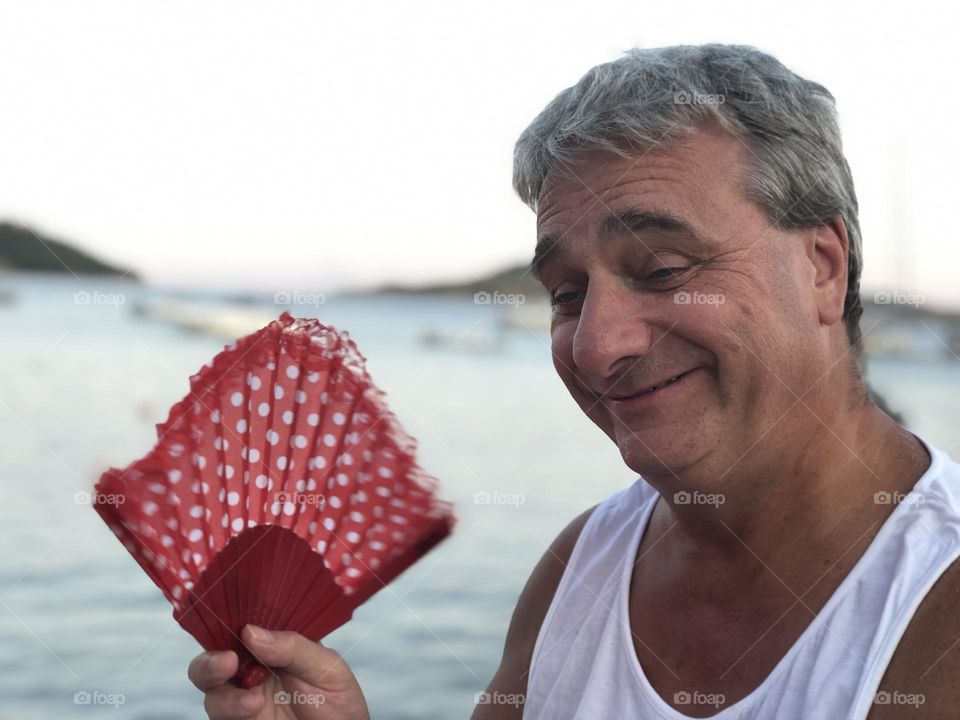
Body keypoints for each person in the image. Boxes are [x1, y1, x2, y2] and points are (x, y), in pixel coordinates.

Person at [191, 43, 960, 719]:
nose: (596, 346)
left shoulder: (936, 605)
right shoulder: (581, 569)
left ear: (822, 268)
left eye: (662, 269)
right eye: (566, 294)